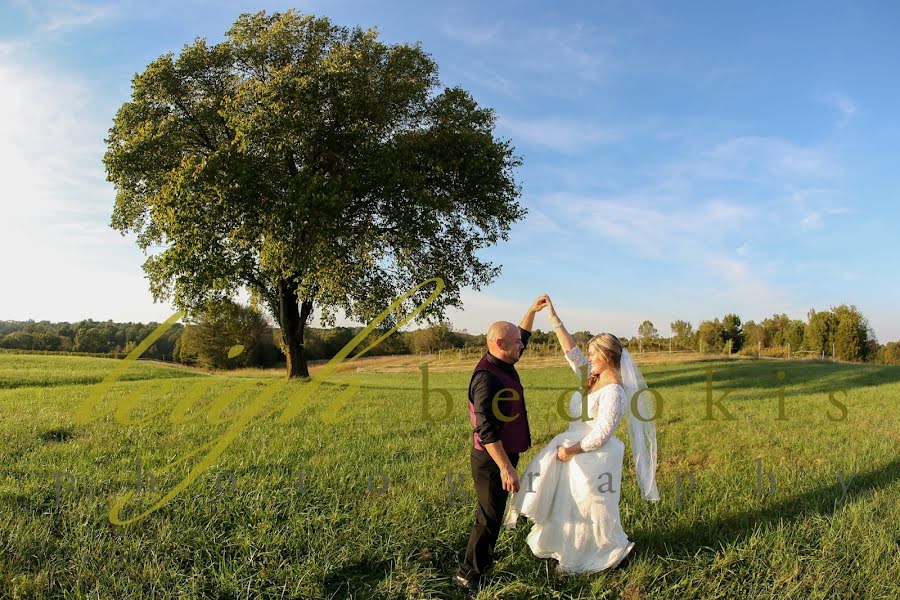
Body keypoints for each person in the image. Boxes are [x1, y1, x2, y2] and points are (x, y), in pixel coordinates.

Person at [503, 296, 659, 574]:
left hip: (591, 455)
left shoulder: (614, 392)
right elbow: (571, 351)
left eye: (593, 355)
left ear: (608, 357)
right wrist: (553, 317)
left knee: (592, 508)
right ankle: (568, 549)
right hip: (574, 449)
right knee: (569, 505)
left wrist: (569, 450)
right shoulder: (593, 378)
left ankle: (606, 552)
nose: (587, 359)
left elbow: (601, 434)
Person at [453, 296, 549, 597]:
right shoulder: (486, 379)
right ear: (498, 343)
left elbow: (521, 334)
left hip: (506, 455)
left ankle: (482, 561)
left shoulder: (505, 357)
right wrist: (505, 467)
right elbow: (485, 430)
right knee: (489, 515)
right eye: (517, 344)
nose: (522, 346)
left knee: (492, 513)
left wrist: (532, 312)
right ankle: (468, 575)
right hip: (492, 460)